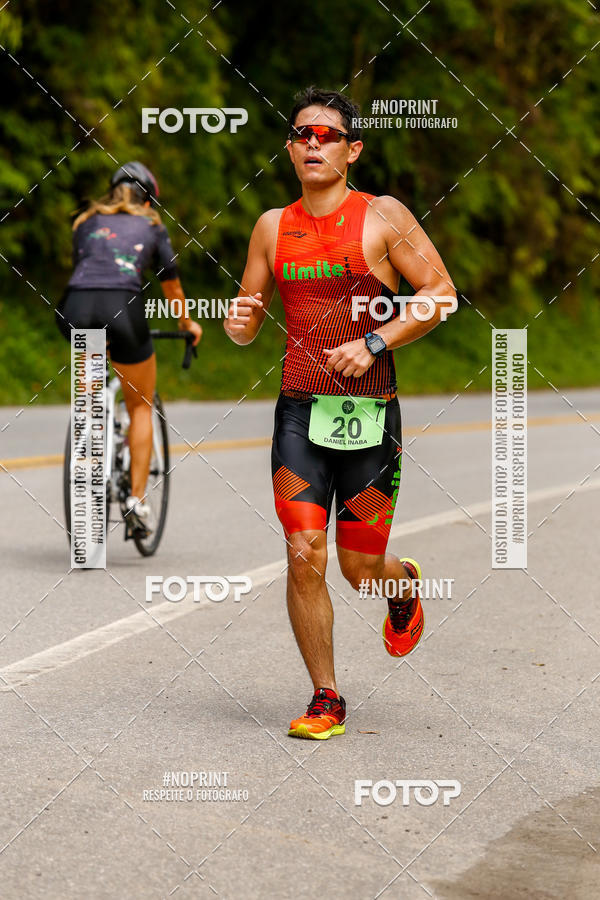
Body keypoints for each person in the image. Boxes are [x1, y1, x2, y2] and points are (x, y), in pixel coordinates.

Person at [224, 87, 456, 740]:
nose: (313, 144)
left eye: (327, 135)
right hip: (298, 413)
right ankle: (326, 696)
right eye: (302, 134)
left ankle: (401, 584)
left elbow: (441, 294)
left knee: (359, 572)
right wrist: (239, 324)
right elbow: (246, 324)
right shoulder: (272, 226)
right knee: (303, 551)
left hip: (369, 417)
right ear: (290, 147)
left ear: (352, 149)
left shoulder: (382, 217)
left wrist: (377, 340)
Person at [57, 161, 201, 530]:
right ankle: (135, 501)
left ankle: (89, 470)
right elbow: (171, 283)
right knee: (140, 405)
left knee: (90, 401)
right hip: (122, 310)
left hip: (73, 308)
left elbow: (89, 272)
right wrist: (187, 323)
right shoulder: (151, 224)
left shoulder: (85, 220)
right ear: (149, 201)